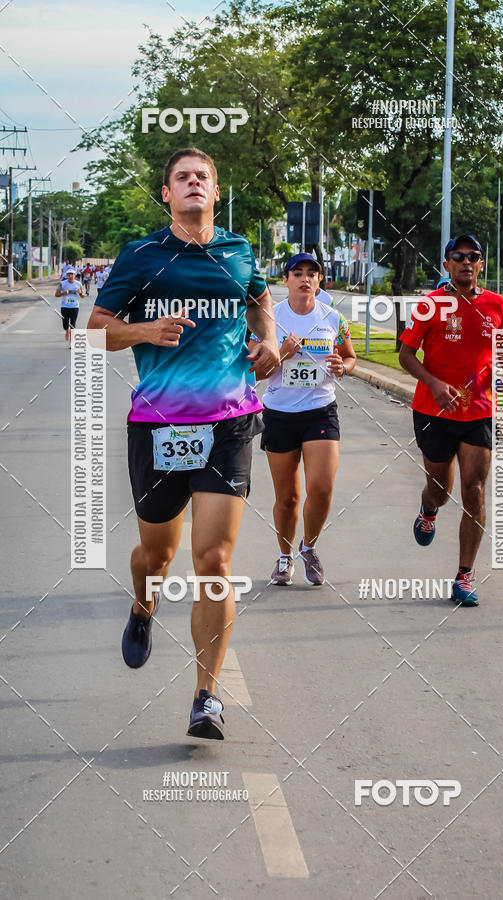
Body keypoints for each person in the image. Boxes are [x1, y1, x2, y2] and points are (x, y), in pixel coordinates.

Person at [87, 147, 279, 740]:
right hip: (159, 424)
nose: (193, 183)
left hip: (230, 422)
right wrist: (144, 329)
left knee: (214, 562)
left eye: (203, 177)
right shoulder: (142, 256)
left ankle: (206, 697)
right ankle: (144, 605)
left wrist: (268, 339)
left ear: (215, 192)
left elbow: (259, 302)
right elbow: (93, 332)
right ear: (166, 193)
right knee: (156, 557)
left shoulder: (239, 250)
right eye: (181, 177)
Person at [398, 235, 503, 607]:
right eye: (458, 257)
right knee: (440, 491)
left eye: (473, 257)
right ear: (446, 264)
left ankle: (464, 576)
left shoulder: (498, 305)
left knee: (474, 490)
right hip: (432, 411)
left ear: (481, 264)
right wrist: (434, 382)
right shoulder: (431, 305)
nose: (466, 262)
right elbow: (405, 354)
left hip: (478, 412)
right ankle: (428, 509)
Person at [249, 252, 356, 587]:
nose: (305, 279)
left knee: (321, 488)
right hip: (280, 413)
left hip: (320, 410)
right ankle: (284, 556)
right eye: (298, 273)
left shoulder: (334, 319)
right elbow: (253, 372)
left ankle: (308, 547)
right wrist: (282, 353)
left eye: (313, 273)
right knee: (288, 497)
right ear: (286, 280)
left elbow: (349, 357)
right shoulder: (269, 319)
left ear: (320, 280)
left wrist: (344, 368)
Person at [55, 266, 84, 348]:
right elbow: (56, 294)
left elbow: (83, 295)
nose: (70, 276)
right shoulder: (62, 284)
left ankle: (71, 343)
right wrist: (63, 293)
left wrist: (80, 293)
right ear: (66, 275)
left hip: (75, 307)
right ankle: (67, 331)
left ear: (75, 275)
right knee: (65, 325)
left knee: (73, 324)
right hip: (64, 307)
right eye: (69, 274)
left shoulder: (78, 284)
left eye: (72, 274)